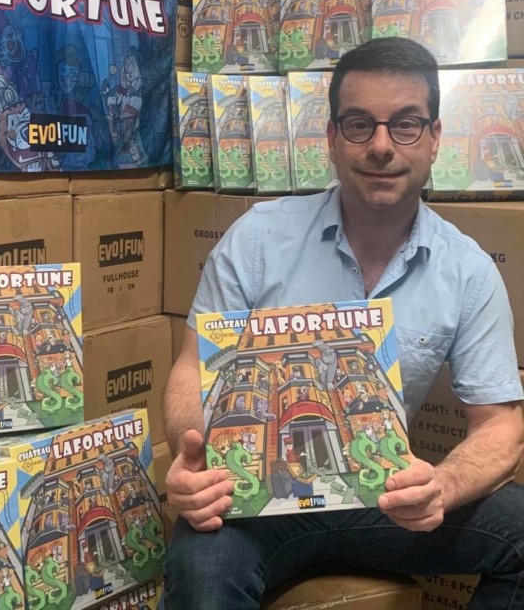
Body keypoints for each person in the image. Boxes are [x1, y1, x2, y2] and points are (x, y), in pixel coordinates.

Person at [162, 37, 524, 610]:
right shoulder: (258, 238)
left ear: (435, 137)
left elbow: (500, 425)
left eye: (406, 125)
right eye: (359, 125)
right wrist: (197, 462)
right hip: (257, 501)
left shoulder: (470, 271)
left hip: (386, 498)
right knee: (199, 568)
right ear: (331, 138)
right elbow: (191, 371)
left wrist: (442, 485)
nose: (381, 146)